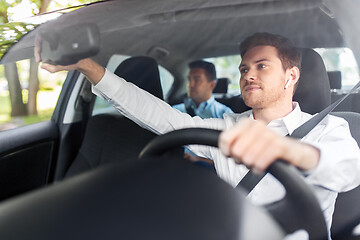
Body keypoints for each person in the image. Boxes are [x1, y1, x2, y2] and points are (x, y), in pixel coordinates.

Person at [36, 32, 360, 238]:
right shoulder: (226, 128)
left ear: (291, 76)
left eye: (262, 66)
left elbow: (348, 170)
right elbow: (161, 118)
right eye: (244, 69)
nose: (248, 75)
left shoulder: (329, 129)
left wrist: (287, 150)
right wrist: (90, 68)